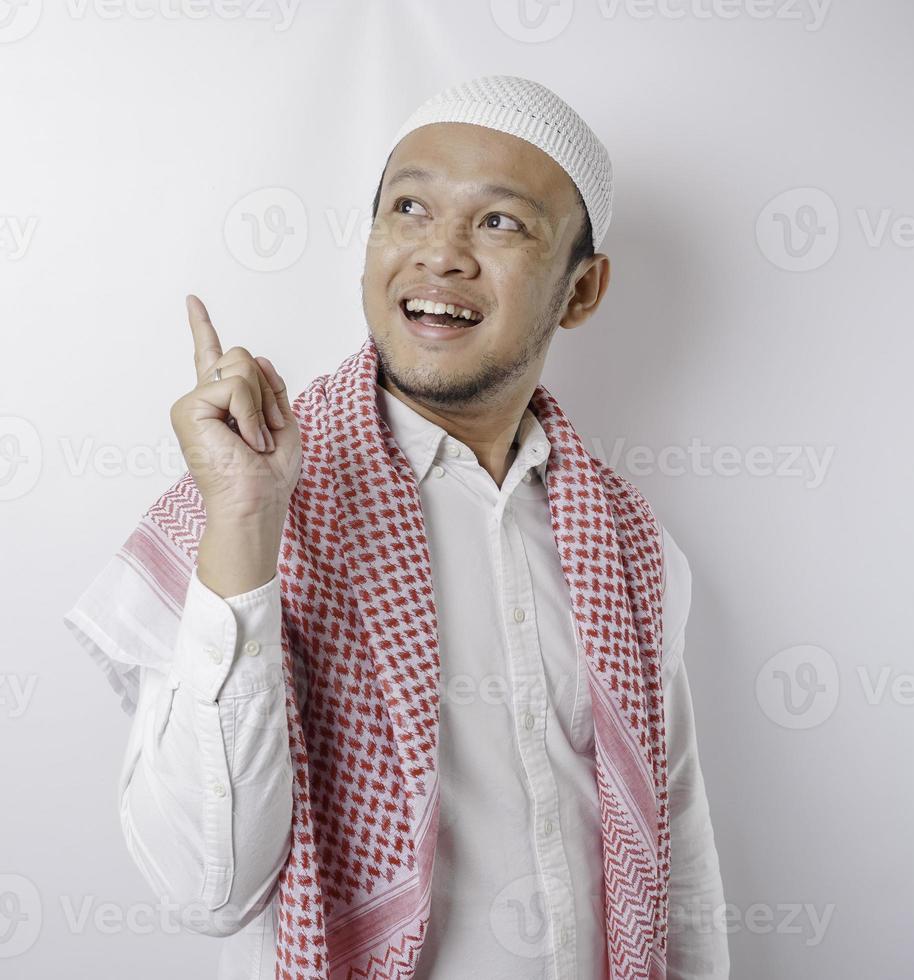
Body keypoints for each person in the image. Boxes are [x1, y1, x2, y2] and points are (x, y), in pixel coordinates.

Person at [65, 74, 729, 980]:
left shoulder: (631, 547)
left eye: (501, 223)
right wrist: (247, 522)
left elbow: (675, 849)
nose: (441, 254)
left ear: (582, 290)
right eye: (409, 208)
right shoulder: (249, 507)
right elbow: (207, 890)